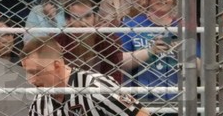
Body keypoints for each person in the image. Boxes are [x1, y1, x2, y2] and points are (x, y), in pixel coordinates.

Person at [22, 36, 150, 116]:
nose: (31, 80)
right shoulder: (39, 102)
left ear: (57, 66)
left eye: (36, 72)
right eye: (28, 72)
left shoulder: (96, 86)